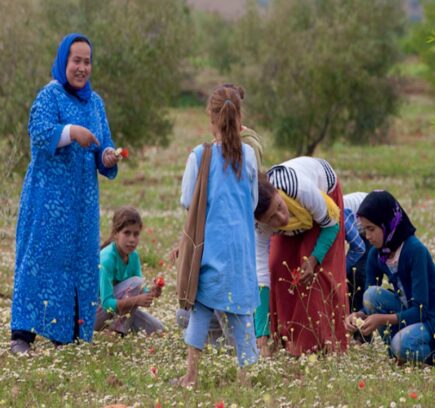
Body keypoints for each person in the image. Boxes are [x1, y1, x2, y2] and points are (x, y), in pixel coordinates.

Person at [10, 33, 120, 354]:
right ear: (64, 61)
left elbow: (103, 144)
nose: (82, 67)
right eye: (76, 61)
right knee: (40, 259)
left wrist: (108, 155)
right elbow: (41, 134)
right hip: (48, 199)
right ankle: (23, 335)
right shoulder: (50, 96)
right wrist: (72, 132)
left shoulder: (95, 102)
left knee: (78, 262)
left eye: (87, 61)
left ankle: (68, 334)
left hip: (83, 204)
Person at [176, 85, 259, 387]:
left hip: (209, 249)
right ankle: (245, 379)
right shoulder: (248, 156)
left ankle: (191, 376)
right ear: (239, 119)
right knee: (242, 316)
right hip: (240, 251)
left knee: (200, 311)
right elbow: (251, 202)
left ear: (211, 119)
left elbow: (188, 200)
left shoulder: (199, 156)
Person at [254, 157, 348, 356]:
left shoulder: (298, 187)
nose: (281, 218)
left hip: (326, 207)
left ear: (276, 192)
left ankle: (320, 344)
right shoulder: (258, 224)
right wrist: (260, 332)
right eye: (271, 218)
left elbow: (332, 225)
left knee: (313, 275)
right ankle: (285, 337)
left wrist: (314, 259)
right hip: (299, 214)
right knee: (276, 266)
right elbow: (261, 275)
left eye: (279, 207)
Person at [344, 191, 435, 364]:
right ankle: (396, 355)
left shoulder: (415, 250)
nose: (367, 236)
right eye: (364, 230)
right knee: (370, 295)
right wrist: (358, 316)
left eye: (371, 229)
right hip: (408, 313)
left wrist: (381, 319)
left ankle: (424, 352)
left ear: (388, 224)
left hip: (430, 318)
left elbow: (421, 310)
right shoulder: (377, 255)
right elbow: (369, 302)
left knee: (402, 343)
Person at [94, 207, 164, 336]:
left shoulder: (133, 256)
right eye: (127, 233)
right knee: (136, 283)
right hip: (95, 315)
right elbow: (107, 304)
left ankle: (121, 327)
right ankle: (117, 332)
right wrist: (137, 300)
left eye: (136, 234)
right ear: (115, 233)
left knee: (158, 329)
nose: (132, 239)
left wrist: (152, 291)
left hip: (119, 312)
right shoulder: (107, 258)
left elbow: (141, 289)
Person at [343, 192, 369, 312]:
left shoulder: (341, 215)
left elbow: (359, 248)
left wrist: (341, 270)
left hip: (373, 221)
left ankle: (361, 315)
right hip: (359, 221)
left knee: (357, 272)